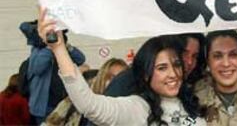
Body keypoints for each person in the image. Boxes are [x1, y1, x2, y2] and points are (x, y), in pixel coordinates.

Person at [38, 8, 206, 125]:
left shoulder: (190, 101)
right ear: (147, 74)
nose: (173, 74)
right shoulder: (137, 109)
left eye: (176, 65)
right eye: (162, 68)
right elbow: (88, 105)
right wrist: (59, 48)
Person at [104, 33, 205, 97]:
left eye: (195, 56)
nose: (190, 62)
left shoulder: (189, 89)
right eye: (184, 53)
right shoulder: (128, 82)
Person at [26, 23, 85, 124]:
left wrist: (66, 46)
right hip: (45, 105)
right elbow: (37, 69)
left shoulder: (63, 50)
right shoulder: (38, 51)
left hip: (63, 102)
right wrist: (50, 48)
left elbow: (81, 59)